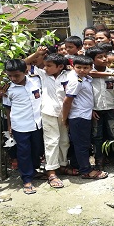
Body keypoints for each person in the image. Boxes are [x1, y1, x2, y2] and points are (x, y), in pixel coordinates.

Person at [26, 49, 75, 188]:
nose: (45, 68)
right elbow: (23, 64)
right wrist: (36, 54)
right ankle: (51, 171)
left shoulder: (70, 75)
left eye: (49, 65)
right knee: (51, 141)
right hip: (48, 112)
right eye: (45, 65)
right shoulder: (43, 74)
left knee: (64, 141)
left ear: (60, 66)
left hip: (65, 112)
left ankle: (62, 165)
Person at [62, 55, 108, 180]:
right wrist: (64, 118)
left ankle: (78, 165)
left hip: (84, 114)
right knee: (82, 144)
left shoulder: (84, 78)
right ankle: (86, 171)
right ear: (73, 67)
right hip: (78, 116)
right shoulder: (76, 81)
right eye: (79, 67)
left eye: (85, 68)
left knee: (81, 143)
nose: (82, 70)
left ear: (90, 68)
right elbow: (67, 101)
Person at [3, 59, 44, 194]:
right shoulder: (8, 89)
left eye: (16, 75)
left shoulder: (36, 81)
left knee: (36, 149)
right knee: (24, 152)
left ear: (25, 72)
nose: (13, 79)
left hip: (37, 123)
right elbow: (8, 108)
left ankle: (33, 171)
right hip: (20, 125)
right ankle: (26, 179)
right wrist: (9, 125)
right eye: (10, 76)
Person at [85, 46, 114, 174]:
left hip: (110, 108)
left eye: (105, 56)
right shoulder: (89, 73)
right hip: (95, 109)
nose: (104, 59)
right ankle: (99, 160)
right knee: (97, 136)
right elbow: (91, 74)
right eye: (100, 57)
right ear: (92, 60)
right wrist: (113, 74)